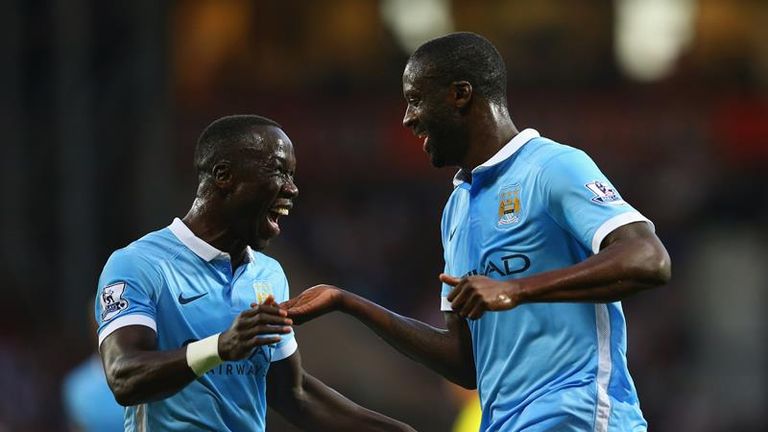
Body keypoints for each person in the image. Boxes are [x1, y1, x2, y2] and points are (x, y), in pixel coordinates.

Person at [282, 33, 671, 431]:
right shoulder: (457, 208)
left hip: (579, 413)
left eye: (415, 99)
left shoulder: (552, 166)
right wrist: (348, 303)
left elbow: (649, 258)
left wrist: (517, 289)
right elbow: (465, 362)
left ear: (460, 94)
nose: (408, 118)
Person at [95, 115, 414, 432]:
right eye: (279, 170)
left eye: (293, 175)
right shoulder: (139, 264)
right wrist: (219, 347)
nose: (293, 189)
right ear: (224, 175)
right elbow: (125, 377)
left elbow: (294, 395)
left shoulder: (268, 275)